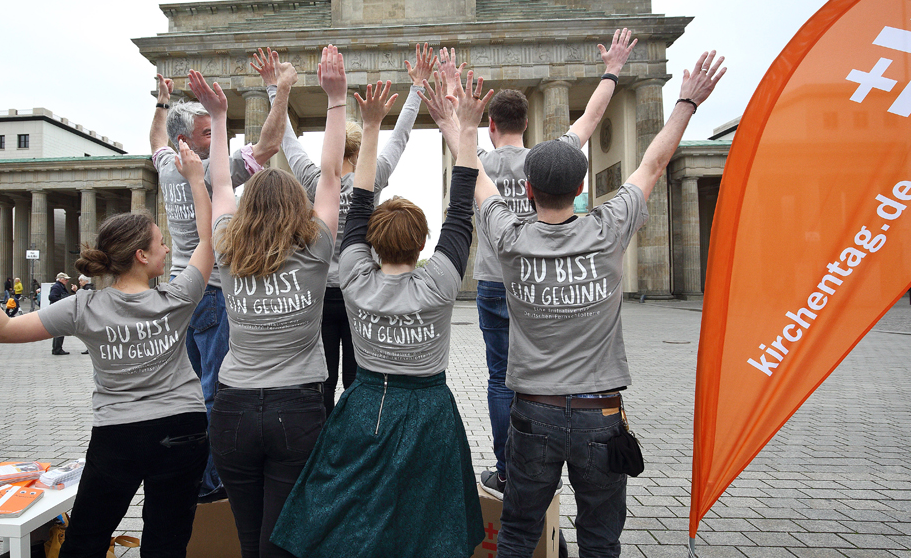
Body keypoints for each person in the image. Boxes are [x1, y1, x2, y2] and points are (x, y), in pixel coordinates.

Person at [471, 51, 725, 557]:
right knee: (600, 541)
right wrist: (687, 102)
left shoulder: (510, 239)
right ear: (583, 188)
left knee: (519, 535)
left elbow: (475, 179)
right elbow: (653, 162)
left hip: (534, 415)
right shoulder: (608, 229)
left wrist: (458, 122)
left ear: (527, 189)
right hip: (600, 415)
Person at [0, 139, 214, 558]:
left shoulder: (84, 307)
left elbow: (0, 329)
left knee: (87, 539)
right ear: (141, 256)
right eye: (160, 243)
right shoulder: (179, 296)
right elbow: (207, 238)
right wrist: (196, 180)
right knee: (167, 543)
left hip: (119, 434)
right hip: (184, 429)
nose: (167, 248)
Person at [271, 74, 489, 558]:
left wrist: (369, 129)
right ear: (423, 243)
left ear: (369, 241)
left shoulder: (352, 274)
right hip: (430, 410)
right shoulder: (440, 283)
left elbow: (359, 203)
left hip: (365, 404)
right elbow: (461, 209)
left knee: (350, 512)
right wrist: (464, 131)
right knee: (429, 522)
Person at [424, 30, 637, 499]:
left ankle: (509, 469)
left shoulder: (476, 157)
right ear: (525, 122)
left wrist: (451, 82)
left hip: (496, 284)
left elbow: (454, 127)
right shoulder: (549, 159)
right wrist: (612, 71)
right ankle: (565, 442)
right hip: (546, 280)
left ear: (492, 126)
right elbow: (590, 118)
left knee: (501, 379)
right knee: (550, 373)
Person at [188, 45, 346, 558]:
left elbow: (218, 182)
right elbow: (329, 176)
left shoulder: (228, 244)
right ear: (298, 209)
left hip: (232, 408)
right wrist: (337, 101)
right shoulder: (317, 249)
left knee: (248, 538)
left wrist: (217, 116)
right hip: (296, 408)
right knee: (283, 539)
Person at [253, 44, 435, 415]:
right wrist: (417, 88)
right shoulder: (374, 176)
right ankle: (356, 439)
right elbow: (400, 138)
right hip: (360, 290)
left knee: (322, 379)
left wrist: (276, 90)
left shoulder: (312, 177)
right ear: (358, 148)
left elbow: (286, 139)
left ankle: (320, 442)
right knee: (357, 377)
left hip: (318, 291)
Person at [151, 55, 293, 502]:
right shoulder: (212, 173)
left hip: (178, 292)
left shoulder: (166, 165)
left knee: (187, 392)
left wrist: (161, 102)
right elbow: (268, 145)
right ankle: (211, 483)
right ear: (186, 141)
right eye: (207, 134)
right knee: (213, 393)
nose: (216, 140)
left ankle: (186, 474)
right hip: (211, 295)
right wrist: (282, 89)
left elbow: (154, 139)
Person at [49, 273, 72, 355]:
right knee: (60, 330)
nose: (67, 281)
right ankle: (57, 349)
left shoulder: (59, 286)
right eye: (66, 279)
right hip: (58, 311)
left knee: (59, 331)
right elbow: (52, 297)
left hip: (58, 310)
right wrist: (62, 301)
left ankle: (56, 348)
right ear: (60, 279)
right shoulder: (57, 287)